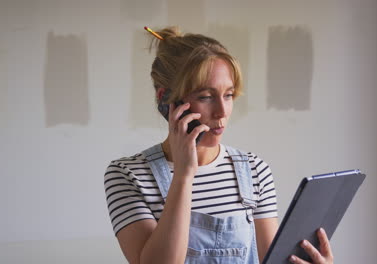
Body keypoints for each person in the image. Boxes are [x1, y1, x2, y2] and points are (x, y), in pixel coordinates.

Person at [103, 26, 334, 264]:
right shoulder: (127, 175)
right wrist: (183, 174)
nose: (222, 112)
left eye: (229, 95)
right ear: (166, 100)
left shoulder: (254, 171)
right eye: (205, 97)